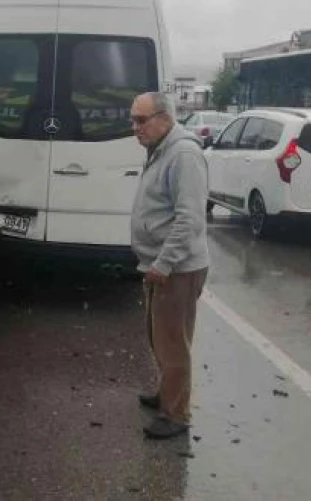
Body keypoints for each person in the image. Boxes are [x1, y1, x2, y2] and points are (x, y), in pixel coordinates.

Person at [129, 91, 209, 440]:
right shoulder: (162, 150)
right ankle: (167, 393)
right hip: (161, 265)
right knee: (158, 336)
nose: (135, 128)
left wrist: (164, 263)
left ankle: (176, 414)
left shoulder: (184, 154)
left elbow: (189, 219)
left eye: (141, 120)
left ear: (164, 117)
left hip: (177, 269)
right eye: (133, 120)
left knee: (173, 343)